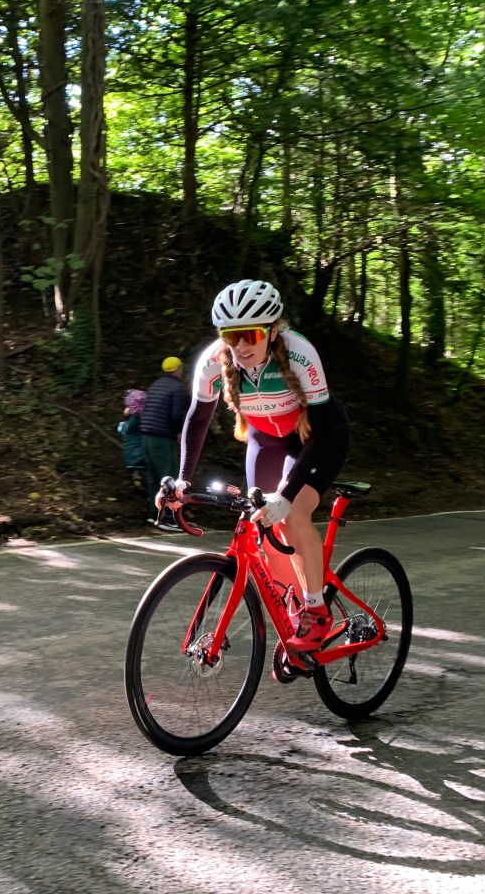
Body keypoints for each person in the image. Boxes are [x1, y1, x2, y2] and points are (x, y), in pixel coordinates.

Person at [164, 279, 349, 652]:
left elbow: (323, 429)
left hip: (315, 438)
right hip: (265, 442)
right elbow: (197, 421)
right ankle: (295, 608)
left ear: (273, 331)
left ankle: (317, 610)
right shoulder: (214, 361)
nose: (241, 346)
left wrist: (287, 493)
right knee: (263, 527)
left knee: (292, 513)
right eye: (231, 336)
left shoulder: (300, 353)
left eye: (250, 335)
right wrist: (182, 481)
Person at [141, 356, 190, 532]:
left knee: (153, 476)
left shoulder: (155, 385)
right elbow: (176, 415)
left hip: (146, 436)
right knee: (168, 477)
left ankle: (154, 514)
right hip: (162, 438)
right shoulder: (177, 388)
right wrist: (178, 432)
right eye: (180, 368)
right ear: (177, 369)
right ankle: (167, 518)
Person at [117, 388, 146, 491]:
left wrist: (123, 423)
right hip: (138, 452)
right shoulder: (141, 416)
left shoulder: (134, 417)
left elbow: (125, 430)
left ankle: (137, 480)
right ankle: (138, 480)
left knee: (138, 471)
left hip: (134, 454)